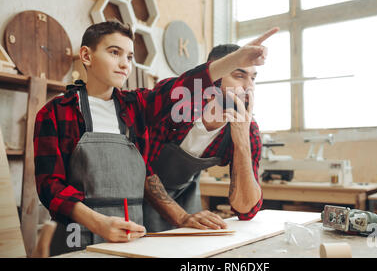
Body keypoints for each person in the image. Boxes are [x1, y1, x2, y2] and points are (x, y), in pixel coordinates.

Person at [33, 20, 278, 255]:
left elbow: (181, 87)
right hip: (77, 235)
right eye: (114, 52)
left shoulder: (135, 107)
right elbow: (50, 186)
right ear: (86, 56)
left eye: (129, 57)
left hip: (130, 236)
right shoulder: (55, 113)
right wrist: (97, 223)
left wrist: (238, 60)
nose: (124, 64)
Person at [142, 43, 265, 232]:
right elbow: (141, 166)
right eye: (239, 76)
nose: (249, 87)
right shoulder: (177, 102)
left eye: (253, 78)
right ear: (213, 74)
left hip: (186, 195)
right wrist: (180, 216)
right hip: (138, 196)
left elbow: (246, 209)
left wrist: (242, 141)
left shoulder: (248, 128)